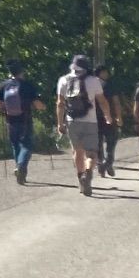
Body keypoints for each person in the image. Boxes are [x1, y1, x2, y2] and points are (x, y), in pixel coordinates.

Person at [56, 54, 107, 195]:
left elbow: (60, 104)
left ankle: (81, 177)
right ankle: (89, 171)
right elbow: (102, 101)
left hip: (72, 121)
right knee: (91, 153)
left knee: (77, 151)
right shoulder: (94, 81)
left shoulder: (63, 80)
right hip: (90, 121)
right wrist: (108, 116)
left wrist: (60, 123)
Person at [0, 60, 42, 184]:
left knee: (15, 145)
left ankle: (18, 168)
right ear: (22, 71)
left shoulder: (4, 85)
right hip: (25, 119)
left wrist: (5, 109)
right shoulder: (27, 85)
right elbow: (36, 104)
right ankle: (21, 166)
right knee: (26, 145)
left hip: (10, 120)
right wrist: (43, 107)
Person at [93, 68, 120, 177]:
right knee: (111, 141)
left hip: (94, 118)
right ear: (100, 73)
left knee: (98, 143)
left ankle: (102, 164)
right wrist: (118, 116)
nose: (107, 74)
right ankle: (108, 162)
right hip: (109, 117)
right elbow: (116, 102)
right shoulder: (109, 86)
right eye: (105, 72)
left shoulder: (89, 85)